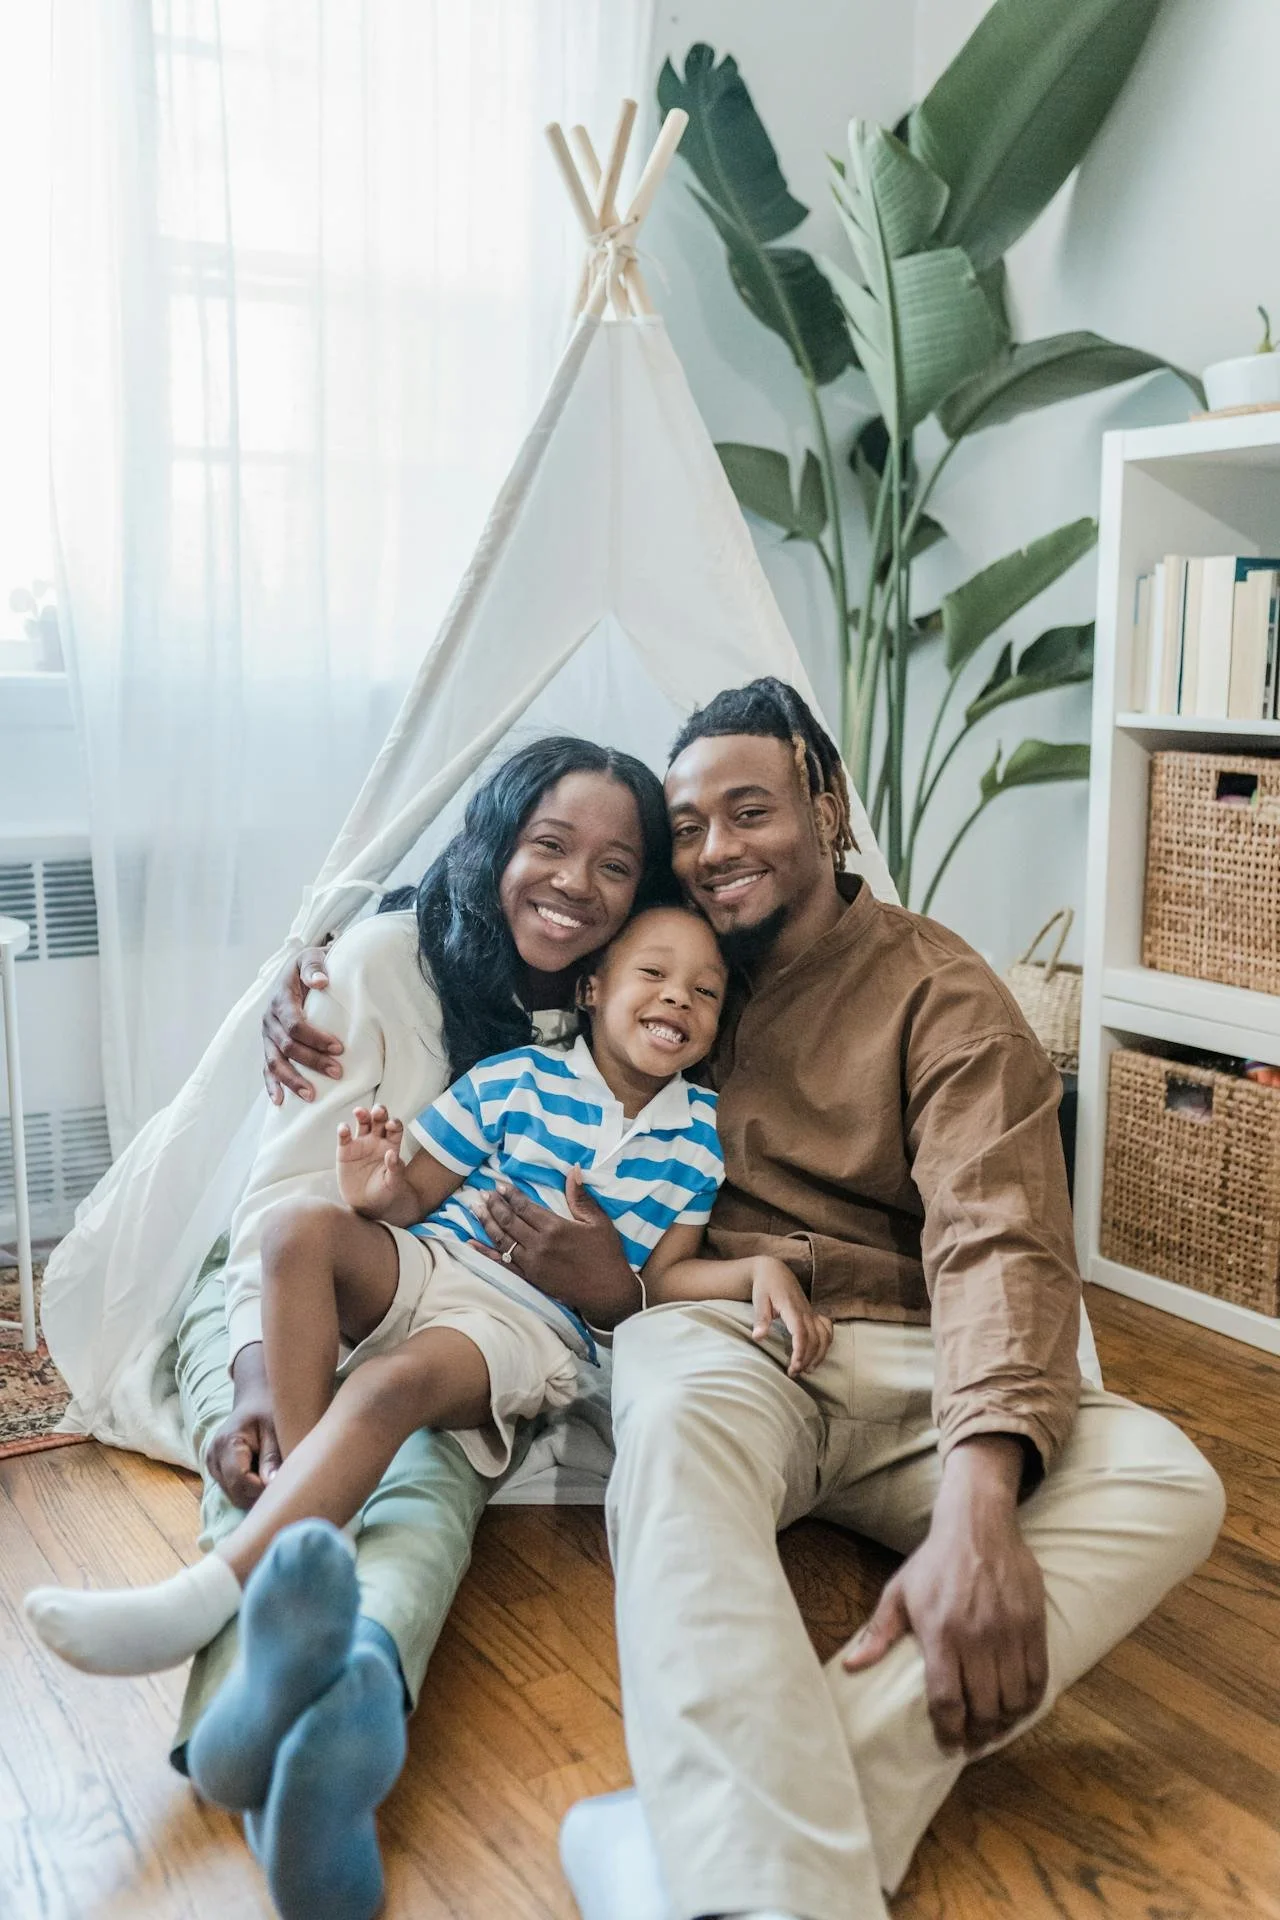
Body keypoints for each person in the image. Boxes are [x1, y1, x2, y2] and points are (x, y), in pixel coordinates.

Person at [444, 679, 1222, 1920]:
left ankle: (714, 1852)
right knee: (676, 1419)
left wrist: (980, 1503)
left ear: (826, 804)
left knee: (1169, 1478)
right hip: (738, 1335)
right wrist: (315, 966)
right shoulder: (672, 957)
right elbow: (488, 910)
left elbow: (997, 1233)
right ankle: (772, 1876)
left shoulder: (942, 991)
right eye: (688, 828)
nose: (711, 853)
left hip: (918, 1355)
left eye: (745, 812)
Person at [150, 734, 687, 1920]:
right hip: (277, 1286)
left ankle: (351, 1709)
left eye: (615, 865)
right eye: (548, 845)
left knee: (426, 1481)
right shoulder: (385, 963)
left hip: (446, 1311)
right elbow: (280, 1209)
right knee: (266, 1465)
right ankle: (246, 1732)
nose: (574, 885)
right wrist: (249, 1371)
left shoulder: (619, 1023)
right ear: (495, 840)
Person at [27, 906, 833, 1683]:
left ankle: (208, 1592)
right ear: (592, 989)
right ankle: (319, 1525)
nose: (676, 999)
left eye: (704, 992)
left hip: (525, 1324)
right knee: (294, 1229)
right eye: (654, 974)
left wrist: (754, 1271)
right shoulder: (515, 1079)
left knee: (389, 1383)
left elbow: (661, 1278)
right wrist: (371, 1187)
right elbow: (408, 1197)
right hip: (427, 1260)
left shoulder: (699, 1135)